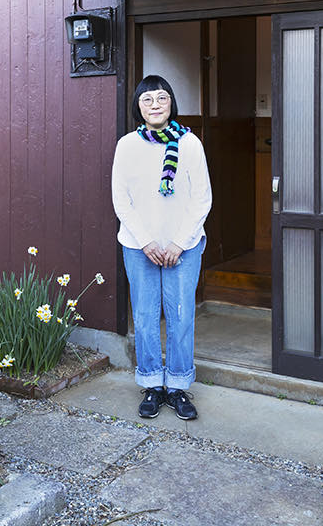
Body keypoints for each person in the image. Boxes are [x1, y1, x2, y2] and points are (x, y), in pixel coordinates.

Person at [111, 74, 212, 420]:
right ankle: (152, 383)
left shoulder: (190, 144)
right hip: (140, 248)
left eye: (162, 98)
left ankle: (179, 386)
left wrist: (178, 243)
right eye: (147, 100)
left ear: (172, 103)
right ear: (138, 107)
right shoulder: (127, 145)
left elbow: (202, 199)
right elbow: (121, 201)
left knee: (181, 316)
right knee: (145, 315)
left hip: (183, 248)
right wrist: (148, 242)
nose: (155, 105)